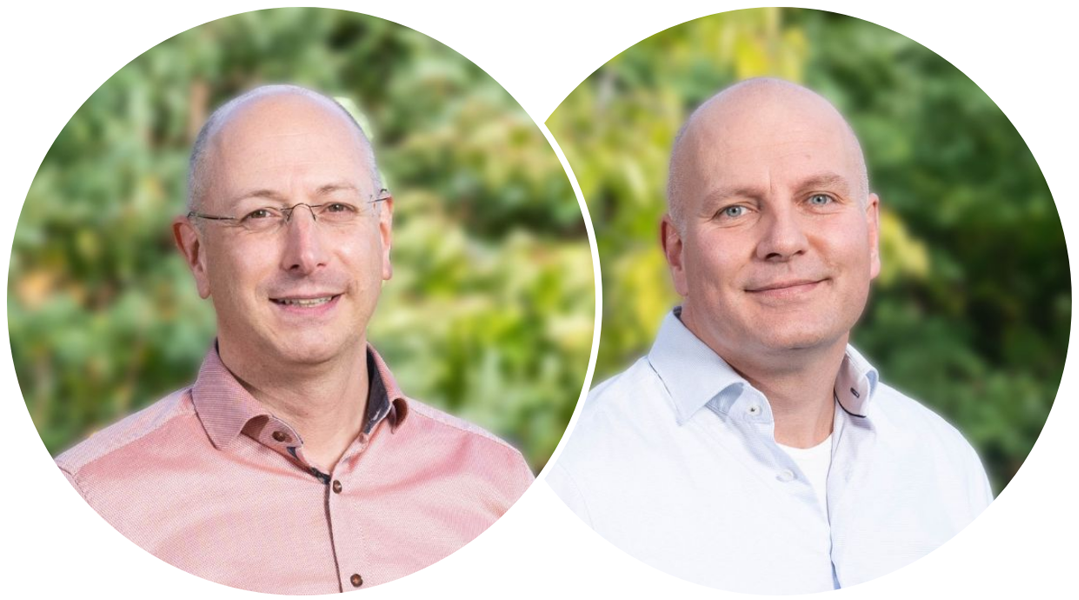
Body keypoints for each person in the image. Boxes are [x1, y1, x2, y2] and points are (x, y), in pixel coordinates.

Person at [56, 85, 534, 594]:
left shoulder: (497, 484)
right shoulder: (93, 506)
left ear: (384, 234)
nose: (306, 255)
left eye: (336, 208)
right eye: (260, 215)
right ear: (196, 254)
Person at [547, 78, 993, 594]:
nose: (784, 241)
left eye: (819, 198)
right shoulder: (576, 482)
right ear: (676, 252)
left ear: (870, 236)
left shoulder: (943, 465)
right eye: (735, 209)